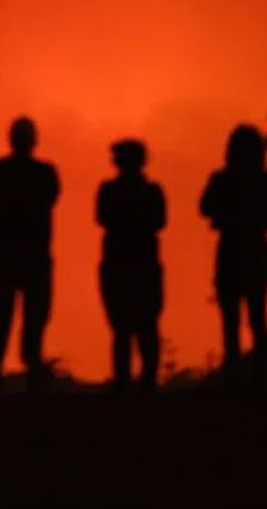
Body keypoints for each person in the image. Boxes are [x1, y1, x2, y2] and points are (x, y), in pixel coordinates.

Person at [0, 116, 61, 393]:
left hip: (8, 257)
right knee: (29, 322)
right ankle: (30, 378)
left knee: (2, 321)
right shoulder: (44, 174)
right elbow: (45, 200)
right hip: (32, 259)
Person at [200, 125, 267, 387]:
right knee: (257, 317)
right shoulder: (266, 181)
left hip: (231, 250)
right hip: (256, 250)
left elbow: (205, 207)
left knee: (230, 319)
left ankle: (233, 377)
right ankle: (259, 376)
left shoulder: (222, 179)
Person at [96, 139, 166, 392]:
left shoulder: (110, 191)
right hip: (141, 265)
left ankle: (126, 382)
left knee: (124, 328)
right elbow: (159, 221)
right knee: (142, 326)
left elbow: (102, 218)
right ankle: (144, 381)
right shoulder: (152, 192)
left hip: (121, 265)